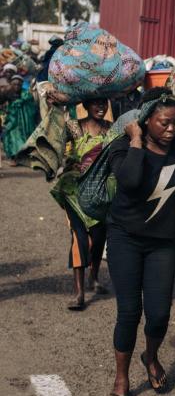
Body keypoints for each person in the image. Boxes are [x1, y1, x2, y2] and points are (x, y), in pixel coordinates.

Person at [105, 88, 175, 396]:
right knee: (129, 311)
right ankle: (121, 377)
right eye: (164, 123)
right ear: (146, 121)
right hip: (125, 238)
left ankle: (151, 354)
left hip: (162, 243)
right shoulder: (123, 146)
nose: (171, 129)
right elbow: (131, 180)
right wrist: (135, 140)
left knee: (160, 313)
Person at [49, 98, 111, 310]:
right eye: (96, 104)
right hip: (73, 191)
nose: (101, 108)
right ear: (85, 105)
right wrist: (55, 107)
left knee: (98, 237)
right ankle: (79, 293)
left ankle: (93, 278)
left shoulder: (110, 130)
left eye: (105, 104)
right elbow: (54, 143)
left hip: (100, 194)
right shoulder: (74, 126)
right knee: (80, 238)